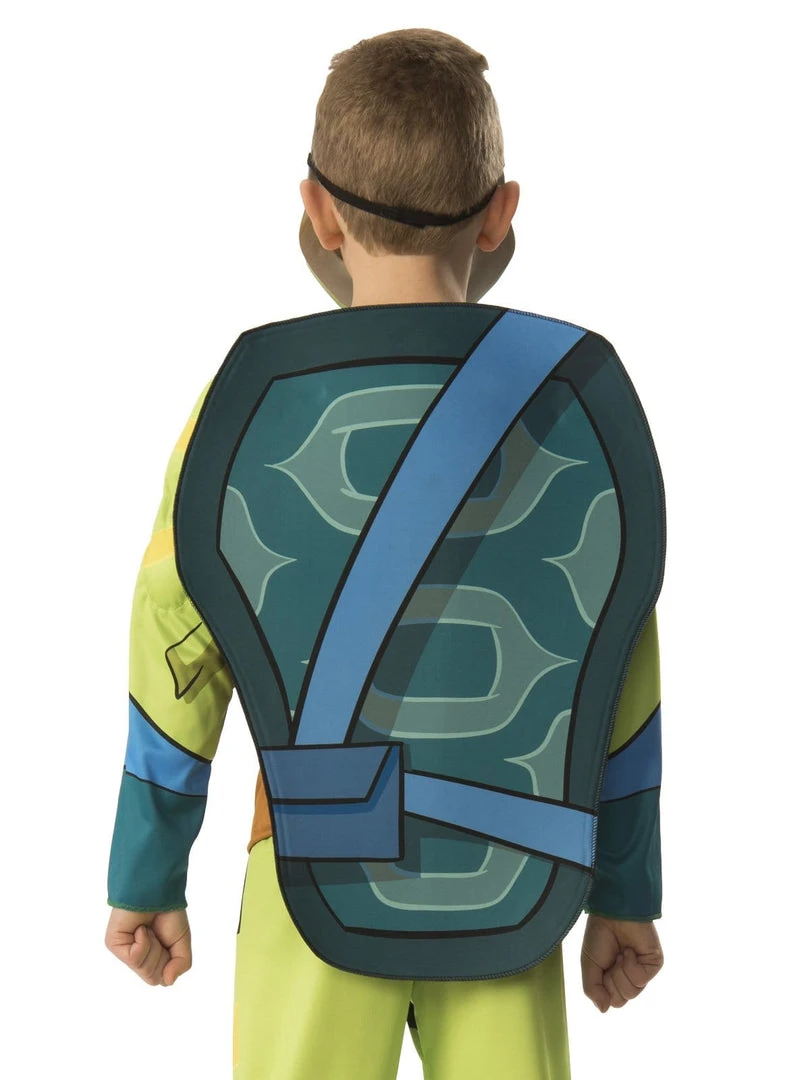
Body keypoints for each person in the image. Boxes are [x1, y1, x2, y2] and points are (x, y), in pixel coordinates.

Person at [104, 27, 664, 1080]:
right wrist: (626, 889)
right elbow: (618, 650)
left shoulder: (242, 405)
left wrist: (147, 867)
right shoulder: (573, 404)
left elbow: (172, 638)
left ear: (317, 212)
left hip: (307, 864)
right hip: (513, 875)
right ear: (501, 214)